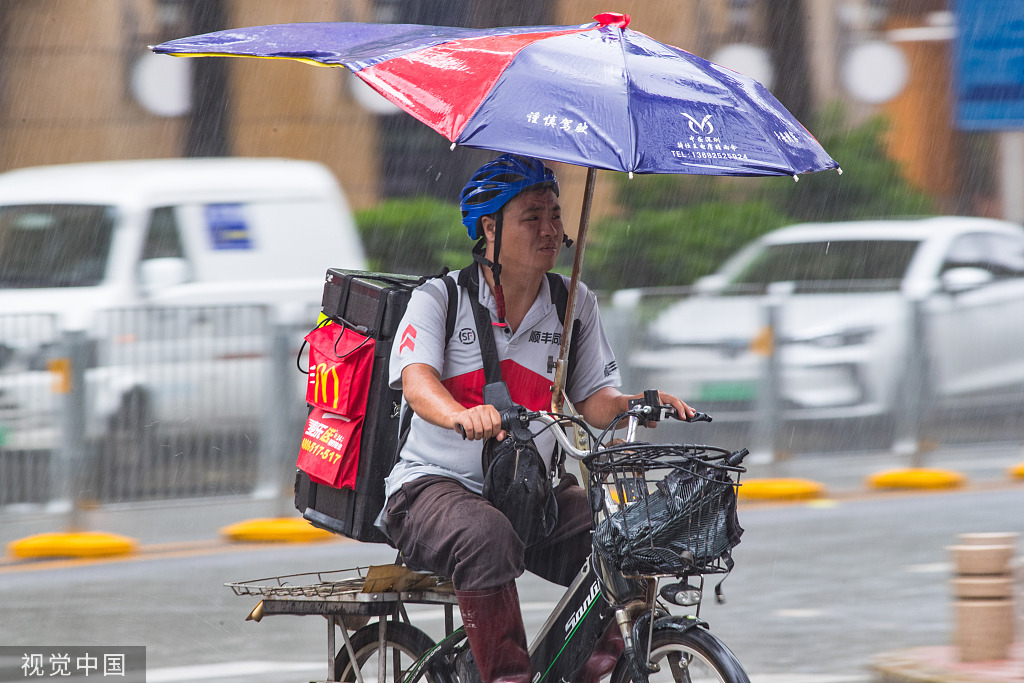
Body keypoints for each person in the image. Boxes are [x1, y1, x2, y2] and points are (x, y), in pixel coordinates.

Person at [379, 154, 695, 683]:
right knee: (486, 535)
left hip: (531, 491)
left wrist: (636, 402)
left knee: (626, 536)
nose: (551, 229)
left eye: (555, 214)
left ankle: (597, 670)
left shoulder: (573, 303)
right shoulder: (442, 299)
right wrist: (460, 414)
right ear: (489, 227)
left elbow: (594, 398)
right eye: (532, 217)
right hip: (432, 489)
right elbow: (417, 384)